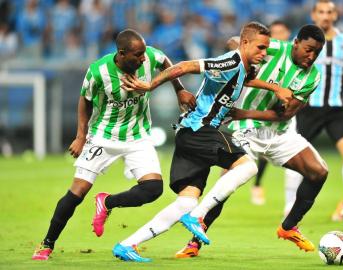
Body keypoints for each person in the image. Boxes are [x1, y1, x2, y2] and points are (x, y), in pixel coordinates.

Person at [111, 21, 293, 262]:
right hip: (200, 129)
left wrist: (274, 88)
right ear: (245, 43)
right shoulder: (232, 61)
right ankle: (199, 216)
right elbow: (186, 66)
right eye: (260, 48)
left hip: (189, 134)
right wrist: (150, 85)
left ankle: (127, 244)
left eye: (266, 49)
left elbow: (243, 78)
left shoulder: (242, 67)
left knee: (185, 202)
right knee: (248, 166)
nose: (263, 54)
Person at [31, 29, 196, 260]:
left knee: (153, 189)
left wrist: (179, 89)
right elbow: (85, 100)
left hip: (138, 136)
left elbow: (166, 62)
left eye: (143, 54)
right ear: (121, 53)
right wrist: (81, 135)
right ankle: (47, 243)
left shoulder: (149, 57)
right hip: (102, 137)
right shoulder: (98, 71)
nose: (143, 59)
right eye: (137, 55)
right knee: (77, 192)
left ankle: (107, 202)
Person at [175, 24, 328, 259]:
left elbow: (286, 113)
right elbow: (232, 42)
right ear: (296, 43)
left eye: (316, 53)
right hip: (245, 130)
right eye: (308, 49)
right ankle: (194, 242)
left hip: (278, 132)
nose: (311, 56)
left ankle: (289, 227)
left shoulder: (313, 76)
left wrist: (242, 113)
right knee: (229, 180)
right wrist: (239, 51)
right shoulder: (274, 48)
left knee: (318, 172)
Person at [284, 0, 343, 222]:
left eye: (329, 12)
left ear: (335, 15)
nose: (325, 16)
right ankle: (289, 204)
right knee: (293, 155)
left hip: (337, 107)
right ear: (314, 15)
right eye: (321, 12)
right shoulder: (300, 43)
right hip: (307, 106)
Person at [251, 20, 292, 206]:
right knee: (240, 157)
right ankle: (255, 185)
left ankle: (290, 207)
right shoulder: (261, 55)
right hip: (254, 109)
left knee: (294, 157)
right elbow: (233, 42)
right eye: (274, 33)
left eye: (281, 32)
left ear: (288, 33)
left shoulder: (294, 56)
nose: (278, 36)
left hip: (284, 112)